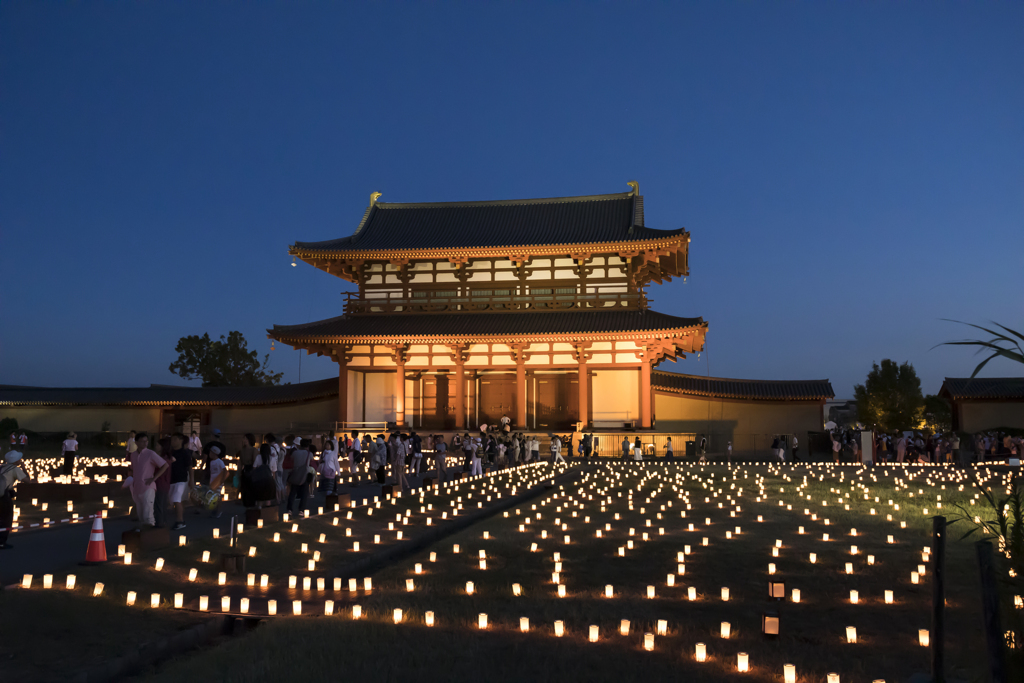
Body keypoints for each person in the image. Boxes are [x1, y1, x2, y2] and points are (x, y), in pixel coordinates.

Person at [129, 433, 169, 528]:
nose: (145, 443)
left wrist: (154, 478)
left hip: (148, 486)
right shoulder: (133, 455)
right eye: (142, 441)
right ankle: (144, 534)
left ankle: (151, 534)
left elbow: (165, 465)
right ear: (136, 442)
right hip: (137, 487)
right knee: (141, 514)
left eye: (146, 441)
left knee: (148, 513)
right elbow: (133, 468)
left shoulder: (150, 453)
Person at [0, 451, 28, 549]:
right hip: (4, 497)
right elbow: (28, 481)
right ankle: (1, 542)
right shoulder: (15, 469)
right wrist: (23, 467)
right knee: (5, 519)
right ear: (16, 461)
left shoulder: (1, 467)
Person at [168, 433, 193, 530]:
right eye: (172, 440)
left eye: (175, 439)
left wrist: (191, 479)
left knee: (176, 499)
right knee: (177, 501)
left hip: (181, 480)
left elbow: (190, 467)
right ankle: (179, 519)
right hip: (172, 479)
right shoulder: (170, 452)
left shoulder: (184, 452)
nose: (173, 441)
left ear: (181, 440)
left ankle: (180, 521)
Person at [285, 439, 312, 515]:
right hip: (304, 474)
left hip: (295, 474)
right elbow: (311, 461)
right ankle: (301, 510)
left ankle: (289, 509)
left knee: (292, 492)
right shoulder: (309, 454)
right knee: (304, 493)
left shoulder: (295, 453)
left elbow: (291, 461)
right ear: (307, 446)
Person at [152, 437, 173, 528]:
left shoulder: (162, 459)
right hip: (165, 483)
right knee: (162, 505)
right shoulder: (168, 457)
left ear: (162, 447)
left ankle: (159, 524)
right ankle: (163, 522)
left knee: (158, 505)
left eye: (157, 445)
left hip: (160, 483)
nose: (156, 447)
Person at [206, 446, 227, 518]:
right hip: (213, 482)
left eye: (211, 452)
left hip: (218, 482)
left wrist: (222, 480)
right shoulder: (211, 462)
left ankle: (218, 511)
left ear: (214, 453)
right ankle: (214, 511)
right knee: (213, 496)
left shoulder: (219, 461)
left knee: (217, 496)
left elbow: (224, 470)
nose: (209, 454)